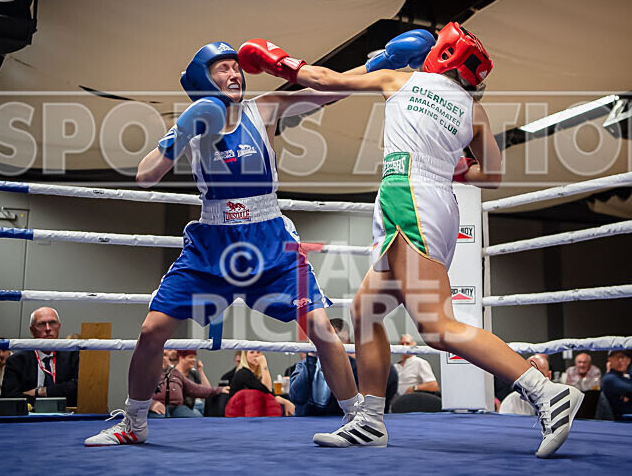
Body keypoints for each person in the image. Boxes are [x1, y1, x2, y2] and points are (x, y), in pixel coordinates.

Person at [238, 21, 583, 458]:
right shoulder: (475, 112)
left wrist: (276, 60)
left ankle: (547, 392)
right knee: (364, 312)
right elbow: (492, 177)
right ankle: (370, 420)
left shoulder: (401, 79)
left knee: (437, 326)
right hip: (438, 203)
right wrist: (452, 168)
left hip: (408, 197)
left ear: (442, 56)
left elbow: (323, 80)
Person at [85, 36, 426, 445]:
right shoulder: (192, 124)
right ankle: (134, 423)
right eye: (222, 68)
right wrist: (178, 134)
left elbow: (327, 92)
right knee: (151, 330)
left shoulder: (262, 109)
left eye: (236, 66)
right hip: (211, 243)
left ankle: (361, 419)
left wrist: (382, 63)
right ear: (201, 80)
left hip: (269, 238)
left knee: (320, 327)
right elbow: (145, 175)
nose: (234, 73)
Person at [2, 307, 79, 406]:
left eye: (52, 323)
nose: (47, 328)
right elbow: (9, 397)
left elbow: (78, 387)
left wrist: (40, 392)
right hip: (29, 416)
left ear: (59, 326)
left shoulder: (72, 356)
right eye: (42, 324)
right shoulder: (17, 361)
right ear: (32, 330)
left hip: (67, 414)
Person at [289, 319, 360, 416]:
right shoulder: (304, 364)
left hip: (338, 419)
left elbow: (357, 401)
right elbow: (297, 398)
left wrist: (339, 362)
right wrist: (311, 357)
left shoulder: (353, 366)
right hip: (305, 419)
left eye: (341, 339)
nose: (335, 343)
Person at [150, 350, 225, 418]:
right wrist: (151, 404)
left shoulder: (175, 373)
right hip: (155, 407)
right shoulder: (145, 374)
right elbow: (138, 395)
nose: (162, 358)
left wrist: (219, 389)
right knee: (160, 422)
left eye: (165, 355)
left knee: (196, 421)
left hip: (177, 407)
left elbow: (195, 389)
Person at [229, 350, 294, 416]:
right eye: (252, 352)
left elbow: (268, 393)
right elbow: (267, 391)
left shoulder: (256, 375)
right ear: (245, 356)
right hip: (237, 414)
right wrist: (264, 365)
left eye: (258, 352)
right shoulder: (243, 373)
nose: (256, 355)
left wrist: (286, 402)